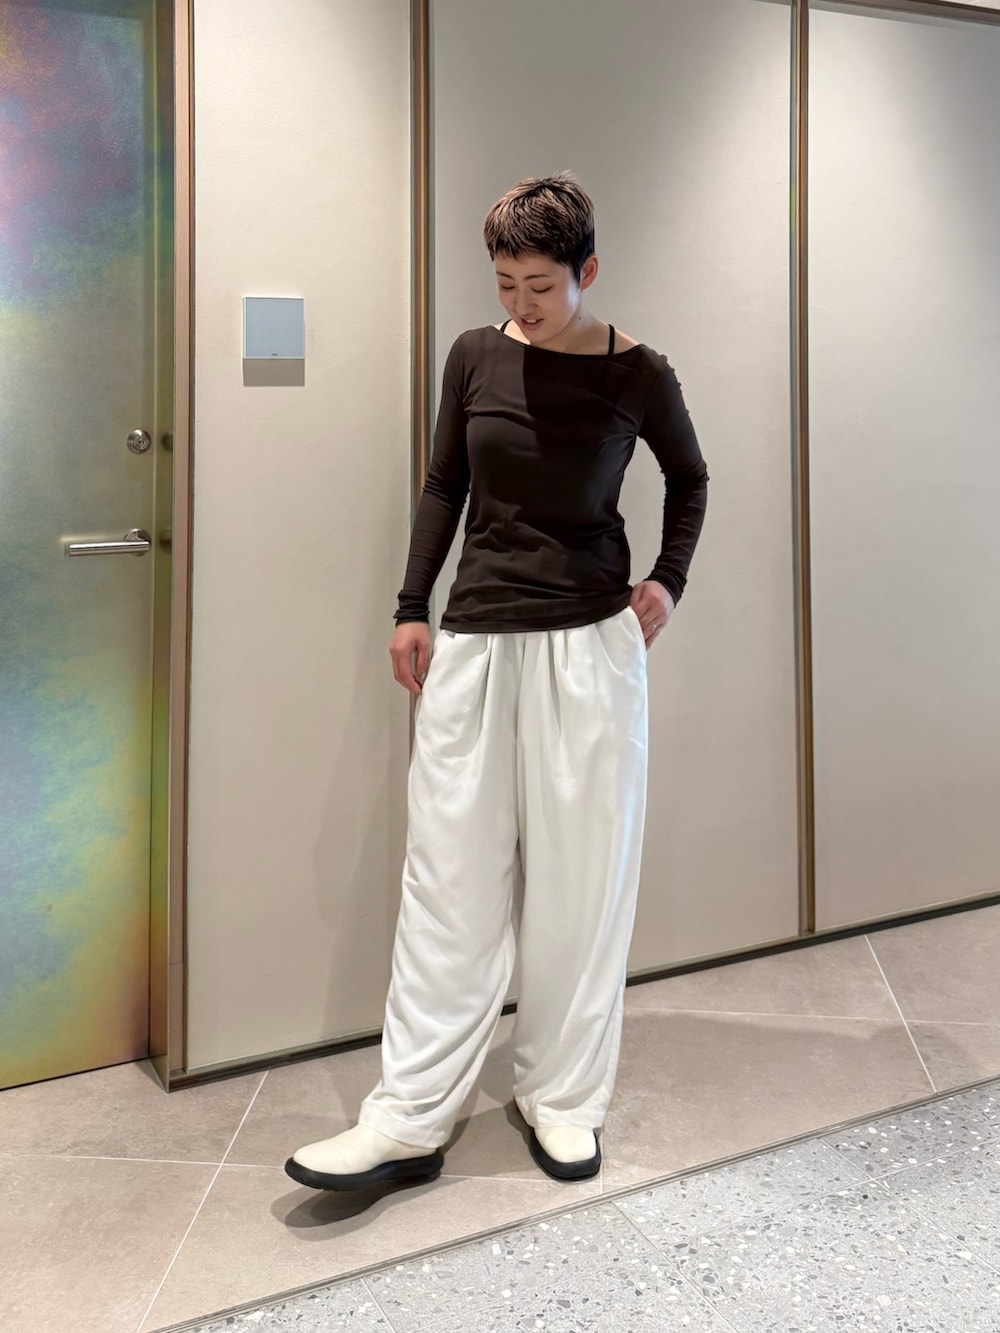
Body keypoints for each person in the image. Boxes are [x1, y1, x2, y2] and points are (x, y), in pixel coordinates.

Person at [286, 173, 708, 1191]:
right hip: (476, 638)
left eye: (541, 286)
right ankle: (410, 1114)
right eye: (507, 284)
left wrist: (666, 580)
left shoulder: (639, 373)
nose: (522, 304)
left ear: (587, 270)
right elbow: (446, 483)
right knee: (449, 881)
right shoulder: (474, 354)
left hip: (591, 647)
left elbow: (690, 478)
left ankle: (562, 1097)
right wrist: (410, 605)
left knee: (580, 887)